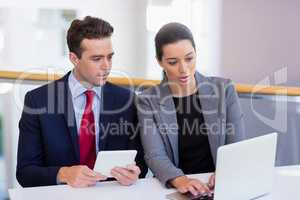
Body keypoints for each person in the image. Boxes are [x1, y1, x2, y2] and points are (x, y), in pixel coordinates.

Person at [17, 16, 147, 188]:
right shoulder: (38, 101)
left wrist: (135, 172)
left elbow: (140, 163)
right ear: (74, 58)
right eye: (97, 59)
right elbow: (25, 173)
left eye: (110, 57)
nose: (106, 66)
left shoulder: (126, 100)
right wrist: (64, 173)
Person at [136, 22, 245, 196]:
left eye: (189, 58)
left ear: (196, 53)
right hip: (180, 188)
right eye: (173, 62)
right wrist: (181, 181)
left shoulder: (224, 89)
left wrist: (225, 172)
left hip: (220, 185)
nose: (183, 69)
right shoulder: (147, 100)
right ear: (159, 62)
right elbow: (154, 155)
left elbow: (236, 144)